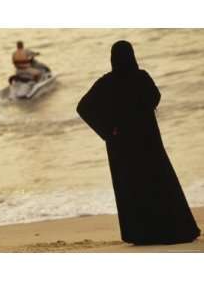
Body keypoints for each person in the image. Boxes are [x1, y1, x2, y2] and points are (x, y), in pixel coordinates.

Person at [76, 40, 200, 245]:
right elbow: (156, 97)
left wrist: (107, 130)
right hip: (147, 141)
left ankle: (141, 234)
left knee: (132, 188)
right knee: (159, 184)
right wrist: (141, 111)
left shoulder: (107, 82)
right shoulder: (141, 77)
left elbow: (84, 107)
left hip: (121, 145)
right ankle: (173, 230)